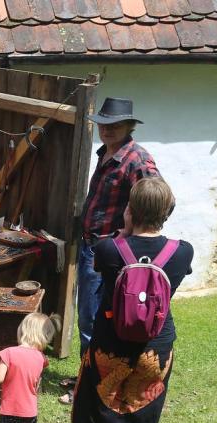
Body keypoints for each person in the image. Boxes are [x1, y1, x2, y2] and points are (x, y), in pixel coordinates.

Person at [60, 179, 193, 423]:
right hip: (155, 349)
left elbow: (106, 263)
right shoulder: (181, 251)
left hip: (110, 346)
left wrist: (123, 232)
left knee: (93, 404)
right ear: (167, 213)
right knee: (140, 407)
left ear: (130, 210)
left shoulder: (108, 249)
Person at [66, 97, 160, 405]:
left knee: (95, 319)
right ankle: (87, 374)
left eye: (115, 125)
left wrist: (130, 233)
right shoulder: (107, 153)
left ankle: (93, 382)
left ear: (129, 126)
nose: (107, 130)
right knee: (88, 316)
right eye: (104, 124)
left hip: (109, 251)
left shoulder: (138, 160)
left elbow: (161, 201)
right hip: (91, 245)